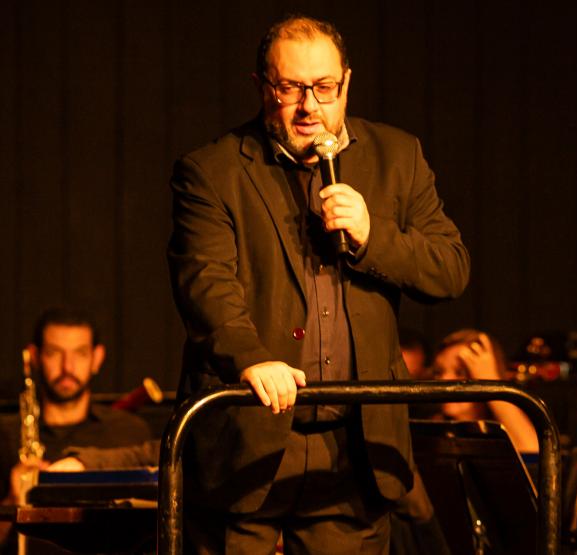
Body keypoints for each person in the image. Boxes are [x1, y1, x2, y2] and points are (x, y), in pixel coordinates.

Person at [166, 13, 470, 554]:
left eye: (325, 88)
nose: (310, 106)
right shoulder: (212, 170)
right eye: (290, 88)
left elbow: (450, 269)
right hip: (248, 442)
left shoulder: (398, 156)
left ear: (346, 82)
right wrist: (249, 357)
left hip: (353, 449)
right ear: (262, 86)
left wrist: (373, 236)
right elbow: (205, 282)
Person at [0, 307, 152, 547]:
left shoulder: (129, 432)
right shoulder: (4, 435)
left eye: (80, 353)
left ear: (97, 358)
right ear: (34, 356)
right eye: (54, 353)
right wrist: (12, 500)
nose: (67, 368)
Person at [430, 329, 539, 454]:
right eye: (438, 372)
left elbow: (534, 454)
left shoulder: (501, 432)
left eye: (460, 372)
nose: (444, 380)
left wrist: (491, 381)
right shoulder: (431, 431)